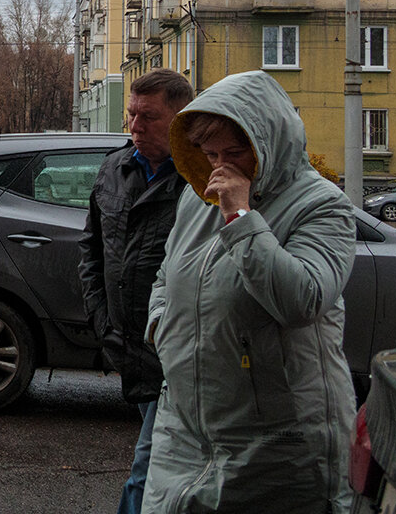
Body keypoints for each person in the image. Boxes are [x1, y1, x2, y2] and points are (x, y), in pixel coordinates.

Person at [142, 71, 356, 513]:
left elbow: (303, 300)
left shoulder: (322, 205)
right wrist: (161, 328)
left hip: (278, 439)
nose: (221, 165)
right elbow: (167, 276)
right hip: (185, 427)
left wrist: (241, 218)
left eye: (236, 152)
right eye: (210, 152)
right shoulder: (197, 197)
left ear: (269, 140)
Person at [78, 68, 194, 514]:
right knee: (158, 467)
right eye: (131, 115)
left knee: (148, 471)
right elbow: (91, 249)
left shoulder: (199, 179)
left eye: (148, 117)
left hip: (178, 355)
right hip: (129, 345)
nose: (134, 127)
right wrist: (101, 318)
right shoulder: (115, 167)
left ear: (180, 118)